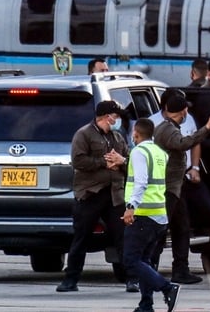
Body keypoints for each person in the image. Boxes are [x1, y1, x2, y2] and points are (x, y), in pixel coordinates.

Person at [57, 100, 133, 293]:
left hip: (115, 194)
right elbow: (79, 161)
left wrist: (121, 161)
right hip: (91, 193)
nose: (117, 120)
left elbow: (129, 160)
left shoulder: (117, 137)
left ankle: (131, 278)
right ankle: (71, 279)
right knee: (81, 237)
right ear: (106, 116)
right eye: (115, 116)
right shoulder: (84, 134)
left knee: (123, 237)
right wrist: (103, 163)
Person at [154, 95, 210, 284]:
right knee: (160, 230)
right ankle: (149, 269)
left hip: (177, 186)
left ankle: (180, 269)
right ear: (183, 111)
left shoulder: (171, 127)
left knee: (181, 228)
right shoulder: (167, 130)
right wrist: (206, 128)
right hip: (168, 189)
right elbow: (184, 143)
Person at [122, 118, 180, 312]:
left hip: (143, 215)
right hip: (159, 214)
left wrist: (131, 206)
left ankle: (167, 288)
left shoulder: (139, 152)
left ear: (136, 134)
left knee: (130, 259)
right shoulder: (160, 153)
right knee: (145, 260)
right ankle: (146, 304)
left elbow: (141, 182)